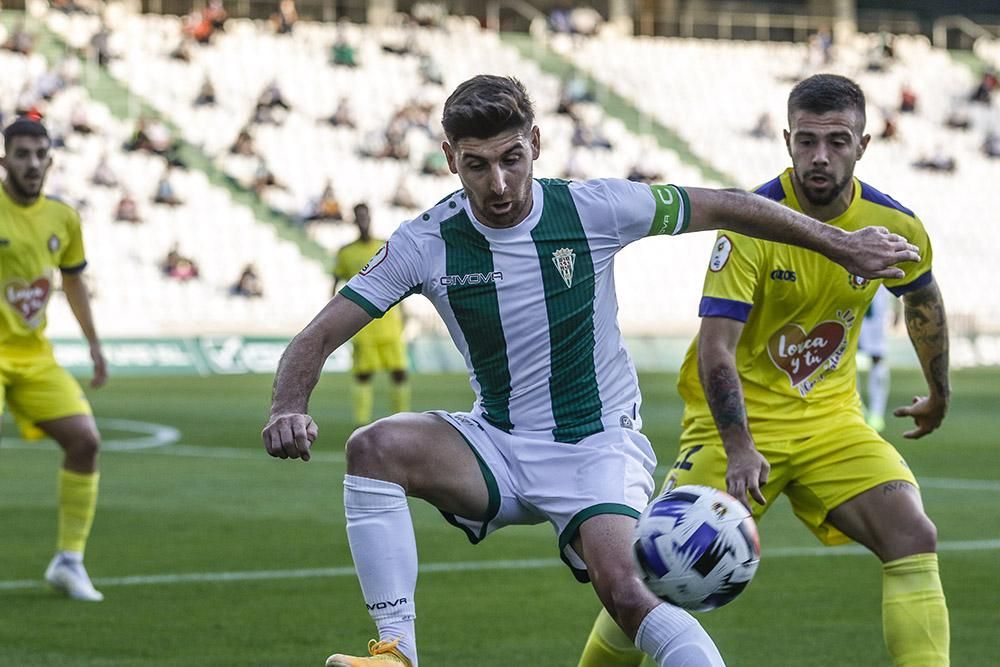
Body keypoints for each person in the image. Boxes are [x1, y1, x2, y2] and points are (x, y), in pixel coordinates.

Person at [261, 75, 918, 667]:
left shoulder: (594, 207)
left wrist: (842, 240)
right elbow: (319, 334)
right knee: (374, 448)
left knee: (629, 594)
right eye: (477, 165)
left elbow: (724, 204)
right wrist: (287, 403)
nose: (497, 184)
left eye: (511, 159)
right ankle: (396, 654)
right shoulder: (425, 240)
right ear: (449, 161)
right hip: (497, 440)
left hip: (595, 445)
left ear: (537, 144)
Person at [579, 74, 949, 667]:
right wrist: (740, 444)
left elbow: (923, 300)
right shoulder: (754, 221)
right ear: (786, 139)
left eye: (836, 140)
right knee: (651, 571)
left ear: (863, 144)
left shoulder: (895, 224)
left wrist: (938, 392)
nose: (819, 156)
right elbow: (715, 348)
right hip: (736, 430)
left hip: (832, 422)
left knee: (914, 536)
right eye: (806, 141)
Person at [0, 117, 107, 601]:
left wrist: (94, 344)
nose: (31, 164)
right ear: (4, 159)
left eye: (39, 155)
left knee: (85, 442)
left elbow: (72, 280)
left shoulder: (64, 217)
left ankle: (68, 561)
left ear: (50, 161)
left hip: (35, 356)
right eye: (21, 154)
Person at [331, 203, 410, 427]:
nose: (363, 220)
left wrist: (405, 311)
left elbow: (401, 280)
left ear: (370, 217)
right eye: (359, 217)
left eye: (365, 216)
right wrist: (337, 316)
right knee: (364, 374)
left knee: (399, 372)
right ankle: (361, 421)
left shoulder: (385, 245)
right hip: (361, 323)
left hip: (390, 321)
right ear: (354, 220)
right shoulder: (345, 253)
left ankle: (401, 419)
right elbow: (335, 284)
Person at [858, 285, 900, 433]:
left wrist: (897, 307)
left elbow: (899, 276)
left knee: (877, 357)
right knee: (844, 355)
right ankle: (857, 408)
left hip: (875, 308)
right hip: (848, 303)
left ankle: (877, 413)